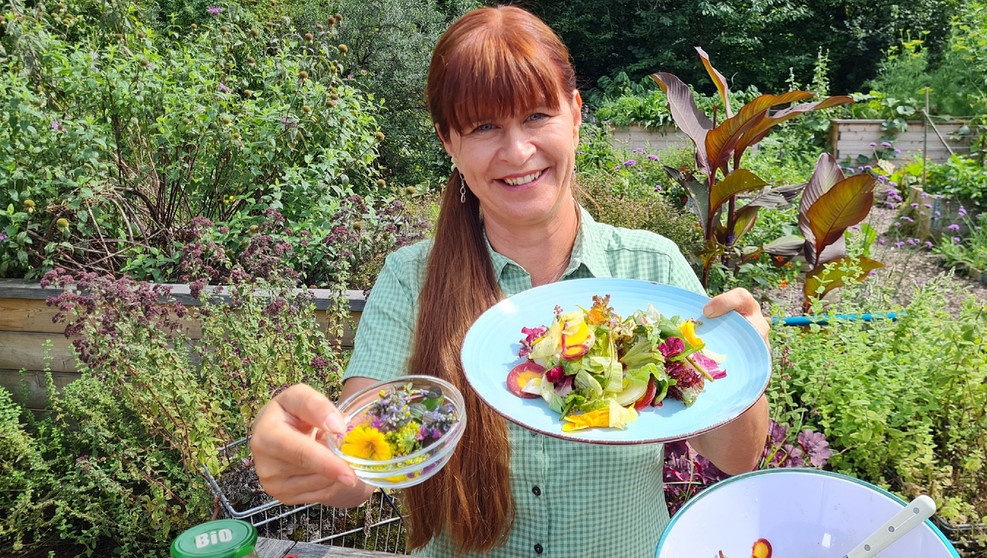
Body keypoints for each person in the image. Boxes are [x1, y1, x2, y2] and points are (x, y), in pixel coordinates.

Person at [250, 5, 770, 557]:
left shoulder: (653, 268)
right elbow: (365, 465)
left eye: (537, 116)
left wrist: (745, 365)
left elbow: (735, 455)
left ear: (575, 114)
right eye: (483, 127)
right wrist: (321, 456)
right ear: (449, 142)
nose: (517, 151)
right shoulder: (411, 279)